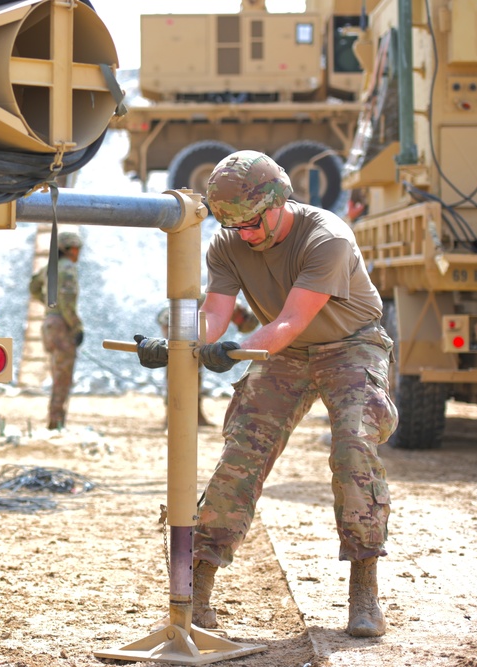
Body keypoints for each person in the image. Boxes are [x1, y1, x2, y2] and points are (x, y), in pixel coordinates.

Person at [136, 150, 397, 638]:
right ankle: (200, 591)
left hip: (350, 346)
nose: (246, 235)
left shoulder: (327, 238)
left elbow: (290, 322)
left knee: (353, 449)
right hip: (283, 352)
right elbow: (214, 315)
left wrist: (233, 351)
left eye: (254, 223)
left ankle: (365, 592)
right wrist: (179, 344)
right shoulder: (229, 242)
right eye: (235, 226)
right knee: (240, 456)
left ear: (281, 201)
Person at [156, 298, 258, 428]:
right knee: (177, 374)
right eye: (239, 323)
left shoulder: (229, 304)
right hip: (178, 323)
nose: (235, 323)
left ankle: (194, 416)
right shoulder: (230, 304)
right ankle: (172, 417)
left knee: (192, 374)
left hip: (183, 324)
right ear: (242, 315)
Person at [30, 230, 84, 430]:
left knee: (57, 372)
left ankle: (55, 420)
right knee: (63, 377)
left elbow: (33, 286)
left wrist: (48, 305)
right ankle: (56, 422)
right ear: (68, 250)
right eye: (76, 250)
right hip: (62, 324)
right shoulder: (67, 269)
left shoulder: (49, 268)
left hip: (49, 324)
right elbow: (67, 300)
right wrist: (76, 326)